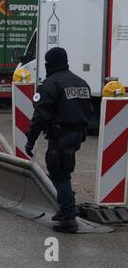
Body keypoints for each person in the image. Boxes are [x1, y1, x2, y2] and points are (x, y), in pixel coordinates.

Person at [25, 47, 92, 233]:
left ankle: (68, 216)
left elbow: (40, 116)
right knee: (65, 169)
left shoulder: (51, 84)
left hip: (60, 135)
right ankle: (67, 203)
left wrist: (30, 141)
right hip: (77, 135)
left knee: (59, 173)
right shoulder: (81, 82)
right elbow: (89, 111)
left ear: (49, 64)